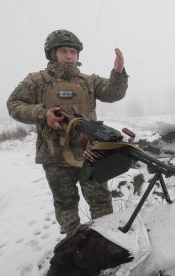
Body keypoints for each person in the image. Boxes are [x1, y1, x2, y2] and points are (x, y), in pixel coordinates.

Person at [7, 29, 129, 236]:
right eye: (63, 51)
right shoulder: (36, 81)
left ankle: (108, 239)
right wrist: (42, 114)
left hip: (90, 153)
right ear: (53, 53)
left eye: (73, 52)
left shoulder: (88, 81)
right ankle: (74, 243)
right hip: (54, 155)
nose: (69, 56)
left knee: (100, 199)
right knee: (65, 203)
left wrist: (118, 73)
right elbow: (14, 104)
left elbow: (113, 94)